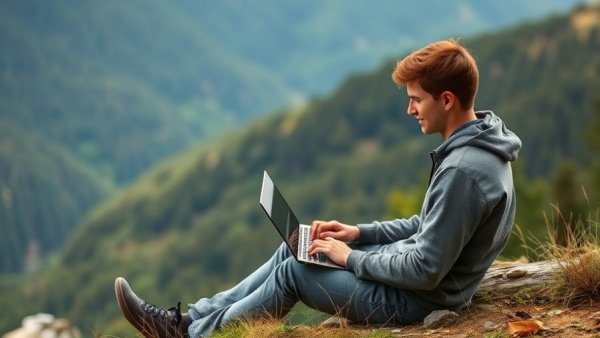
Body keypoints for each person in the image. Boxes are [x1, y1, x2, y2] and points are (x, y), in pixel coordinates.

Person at [114, 39, 522, 337]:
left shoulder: (464, 170)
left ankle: (190, 336)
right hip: (415, 279)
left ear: (447, 99)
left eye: (416, 99)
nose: (409, 109)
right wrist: (359, 234)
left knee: (296, 270)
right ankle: (186, 321)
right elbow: (427, 224)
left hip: (419, 300)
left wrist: (349, 259)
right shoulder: (479, 144)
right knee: (296, 244)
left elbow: (425, 270)